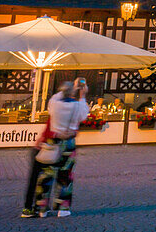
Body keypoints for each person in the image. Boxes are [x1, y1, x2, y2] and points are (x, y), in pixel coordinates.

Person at [32, 77, 89, 218]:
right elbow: (83, 115)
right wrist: (81, 94)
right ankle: (62, 208)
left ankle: (42, 208)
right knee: (65, 176)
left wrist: (69, 88)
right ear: (72, 92)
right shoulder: (77, 106)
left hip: (52, 142)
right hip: (68, 143)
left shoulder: (55, 103)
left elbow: (54, 98)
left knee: (46, 175)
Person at [19, 82, 71, 219]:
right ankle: (36, 208)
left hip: (42, 146)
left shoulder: (55, 107)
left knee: (38, 179)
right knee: (45, 179)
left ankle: (33, 208)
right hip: (49, 148)